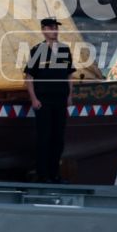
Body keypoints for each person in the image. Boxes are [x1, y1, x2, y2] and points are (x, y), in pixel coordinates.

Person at [25, 17, 74, 183]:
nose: (55, 30)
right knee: (44, 137)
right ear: (44, 30)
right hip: (43, 100)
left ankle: (55, 173)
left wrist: (69, 95)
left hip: (60, 99)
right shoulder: (37, 50)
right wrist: (34, 98)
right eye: (51, 27)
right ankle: (43, 174)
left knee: (58, 138)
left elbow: (69, 74)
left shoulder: (64, 50)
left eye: (56, 27)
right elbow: (29, 77)